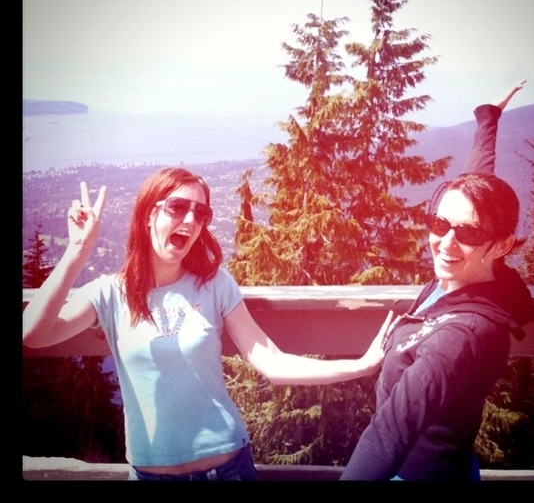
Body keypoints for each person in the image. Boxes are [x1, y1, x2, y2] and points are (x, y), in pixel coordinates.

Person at [23, 166, 394, 481]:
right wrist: (75, 253)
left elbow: (272, 362)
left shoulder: (214, 284)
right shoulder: (110, 293)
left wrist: (361, 365)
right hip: (151, 473)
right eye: (178, 207)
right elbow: (34, 335)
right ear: (149, 213)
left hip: (228, 466)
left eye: (201, 213)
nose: (190, 219)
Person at [340, 79, 534, 481]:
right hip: (451, 466)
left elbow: (391, 430)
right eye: (439, 223)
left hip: (415, 474)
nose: (446, 242)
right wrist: (488, 118)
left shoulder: (464, 333)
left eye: (468, 233)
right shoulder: (475, 272)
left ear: (501, 245)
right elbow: (476, 187)